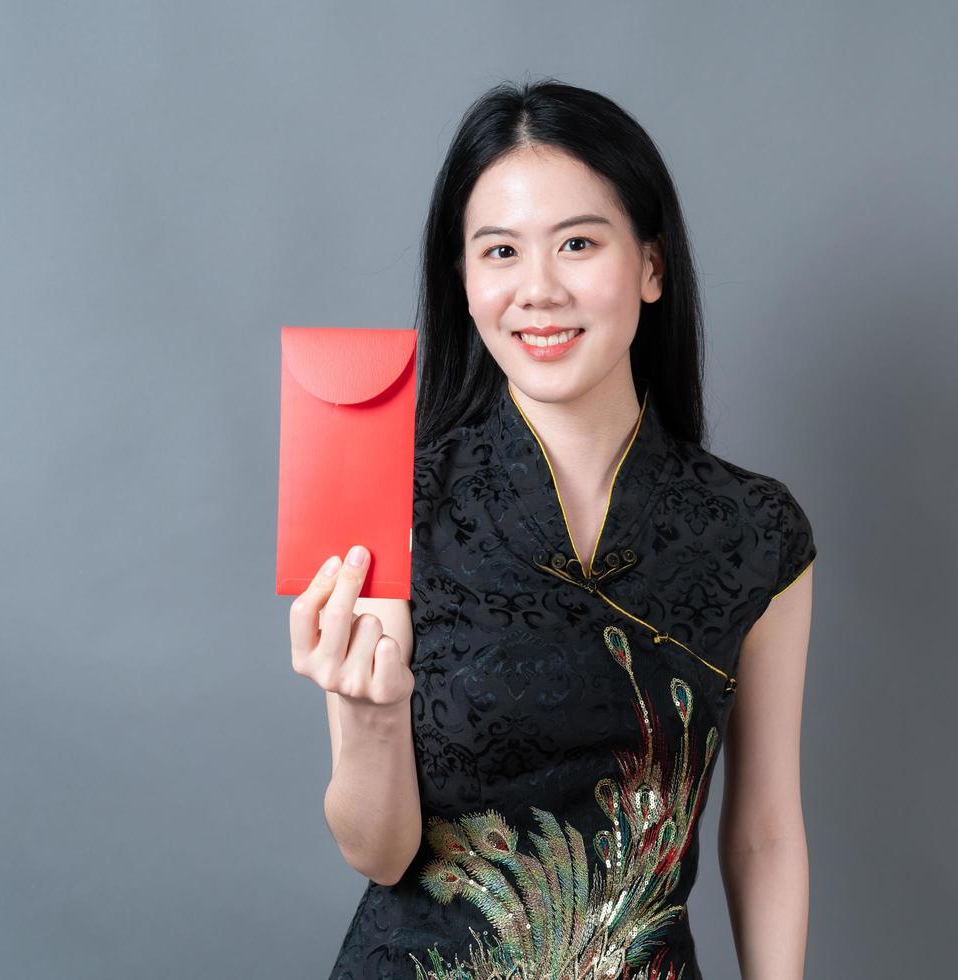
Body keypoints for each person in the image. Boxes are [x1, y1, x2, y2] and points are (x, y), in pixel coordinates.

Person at [291, 78, 817, 980]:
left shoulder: (756, 531)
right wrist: (370, 716)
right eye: (500, 251)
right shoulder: (389, 504)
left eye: (578, 243)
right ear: (462, 281)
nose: (538, 290)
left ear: (651, 266)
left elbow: (764, 834)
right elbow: (379, 855)